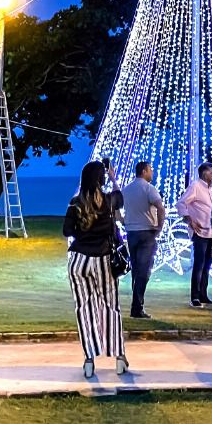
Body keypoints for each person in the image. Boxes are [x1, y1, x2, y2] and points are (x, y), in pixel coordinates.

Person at [62, 160, 128, 378]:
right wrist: (113, 176)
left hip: (79, 261)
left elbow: (66, 231)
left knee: (84, 308)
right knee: (110, 306)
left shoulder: (75, 203)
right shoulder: (109, 201)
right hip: (102, 259)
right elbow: (121, 197)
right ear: (101, 178)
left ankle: (89, 358)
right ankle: (118, 356)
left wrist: (83, 231)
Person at [122, 160, 166, 318]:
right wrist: (159, 227)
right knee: (144, 271)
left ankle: (136, 304)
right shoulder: (149, 188)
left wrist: (125, 221)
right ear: (144, 171)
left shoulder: (126, 189)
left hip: (131, 232)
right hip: (146, 232)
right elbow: (161, 208)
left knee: (136, 269)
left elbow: (118, 210)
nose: (152, 173)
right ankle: (137, 307)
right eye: (150, 170)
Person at [177, 162, 212, 307]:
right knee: (199, 265)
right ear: (205, 174)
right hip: (200, 232)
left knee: (207, 265)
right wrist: (189, 220)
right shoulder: (195, 186)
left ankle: (203, 294)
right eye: (211, 173)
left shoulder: (211, 189)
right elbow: (181, 203)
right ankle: (195, 297)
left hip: (211, 232)